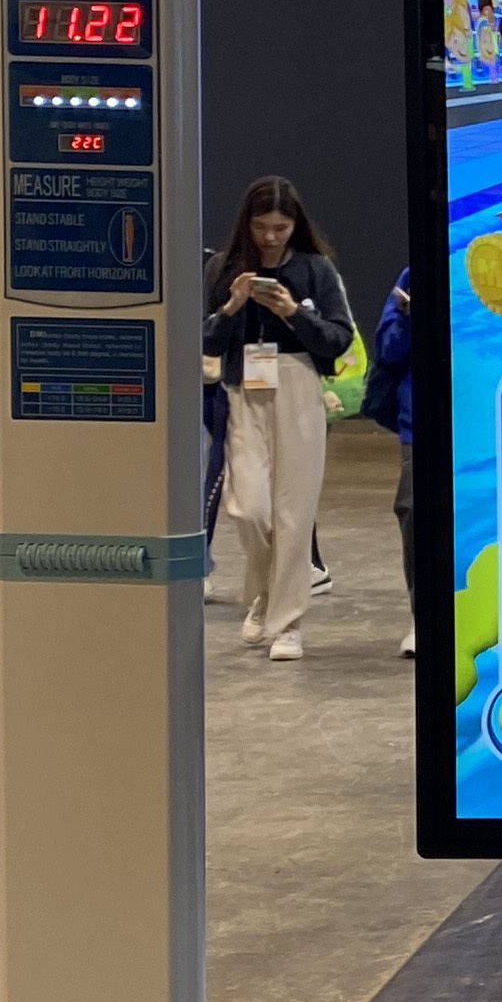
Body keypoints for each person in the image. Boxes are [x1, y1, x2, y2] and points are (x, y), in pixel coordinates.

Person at [206, 175, 353, 660]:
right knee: (249, 508)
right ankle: (267, 592)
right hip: (244, 387)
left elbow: (338, 339)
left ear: (295, 226)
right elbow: (205, 341)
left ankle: (288, 621)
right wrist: (232, 307)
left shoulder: (316, 269)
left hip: (297, 385)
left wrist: (293, 312)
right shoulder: (224, 268)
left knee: (294, 510)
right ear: (246, 224)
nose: (270, 237)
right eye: (261, 226)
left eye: (280, 228)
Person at [361, 265, 417, 658]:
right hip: (421, 424)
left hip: (487, 418)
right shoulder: (413, 276)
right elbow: (388, 349)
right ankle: (424, 617)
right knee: (415, 515)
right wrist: (411, 319)